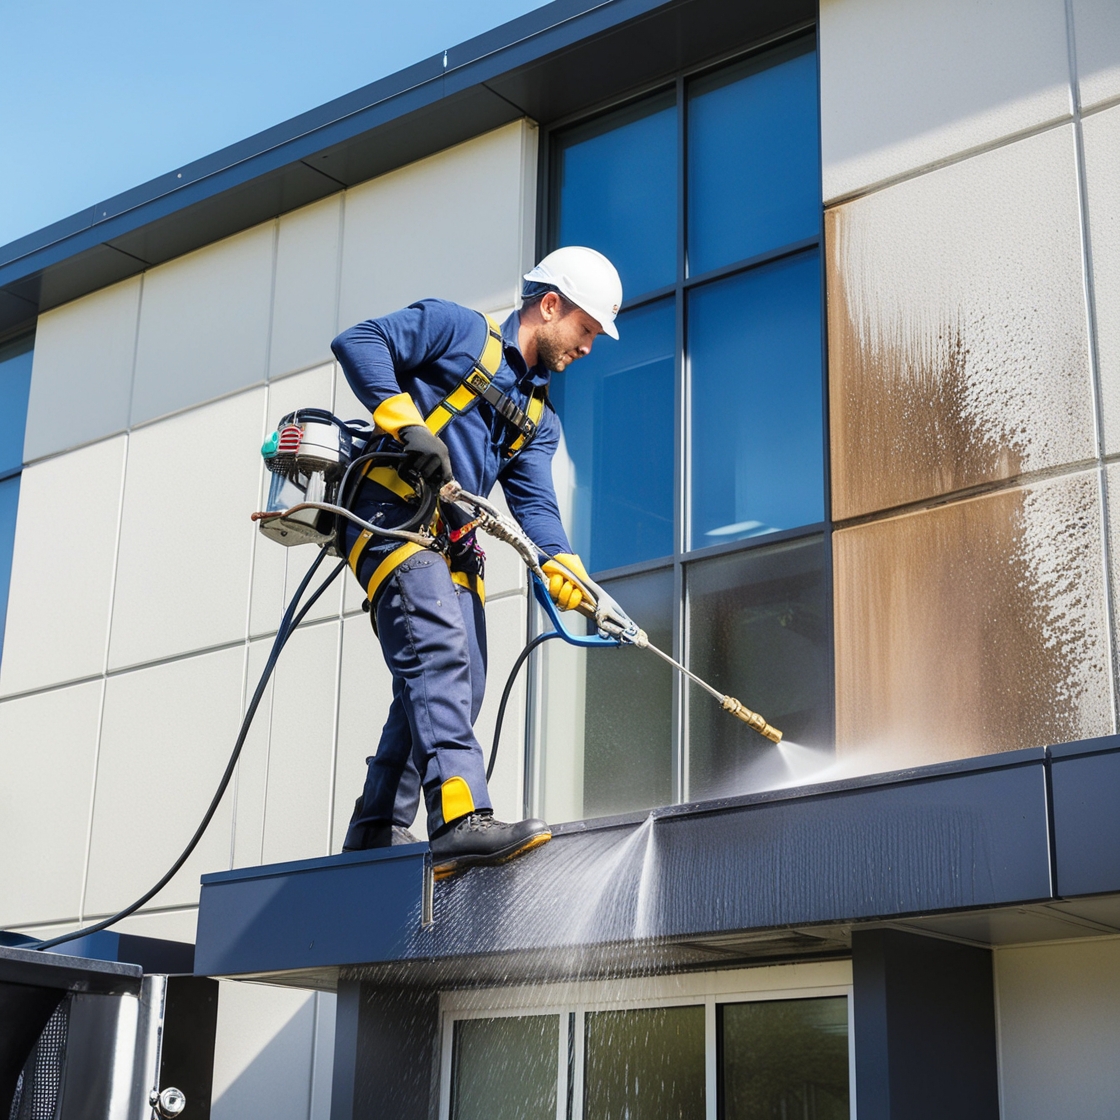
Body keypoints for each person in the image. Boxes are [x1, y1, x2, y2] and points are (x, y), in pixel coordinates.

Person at [331, 246, 622, 879]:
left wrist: (565, 569)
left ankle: (376, 828)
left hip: (450, 543)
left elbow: (536, 506)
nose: (589, 347)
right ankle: (460, 823)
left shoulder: (537, 420)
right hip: (390, 516)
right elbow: (360, 341)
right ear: (550, 306)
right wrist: (407, 427)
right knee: (439, 653)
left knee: (463, 679)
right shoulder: (458, 329)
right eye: (586, 329)